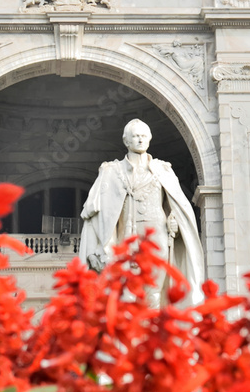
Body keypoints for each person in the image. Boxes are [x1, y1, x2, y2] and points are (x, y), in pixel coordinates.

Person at [79, 119, 205, 305]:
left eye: (144, 136)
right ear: (126, 140)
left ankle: (153, 330)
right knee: (125, 293)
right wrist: (94, 247)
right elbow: (93, 213)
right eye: (136, 136)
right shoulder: (111, 171)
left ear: (149, 139)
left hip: (158, 237)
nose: (140, 140)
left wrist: (175, 222)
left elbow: (177, 208)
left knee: (154, 292)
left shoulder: (163, 170)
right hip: (125, 240)